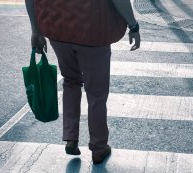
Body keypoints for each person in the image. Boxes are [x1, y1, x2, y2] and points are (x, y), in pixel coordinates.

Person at [25, 0, 141, 164]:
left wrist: (36, 31)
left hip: (58, 29)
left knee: (71, 81)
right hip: (93, 31)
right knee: (96, 94)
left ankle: (71, 138)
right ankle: (98, 147)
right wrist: (133, 26)